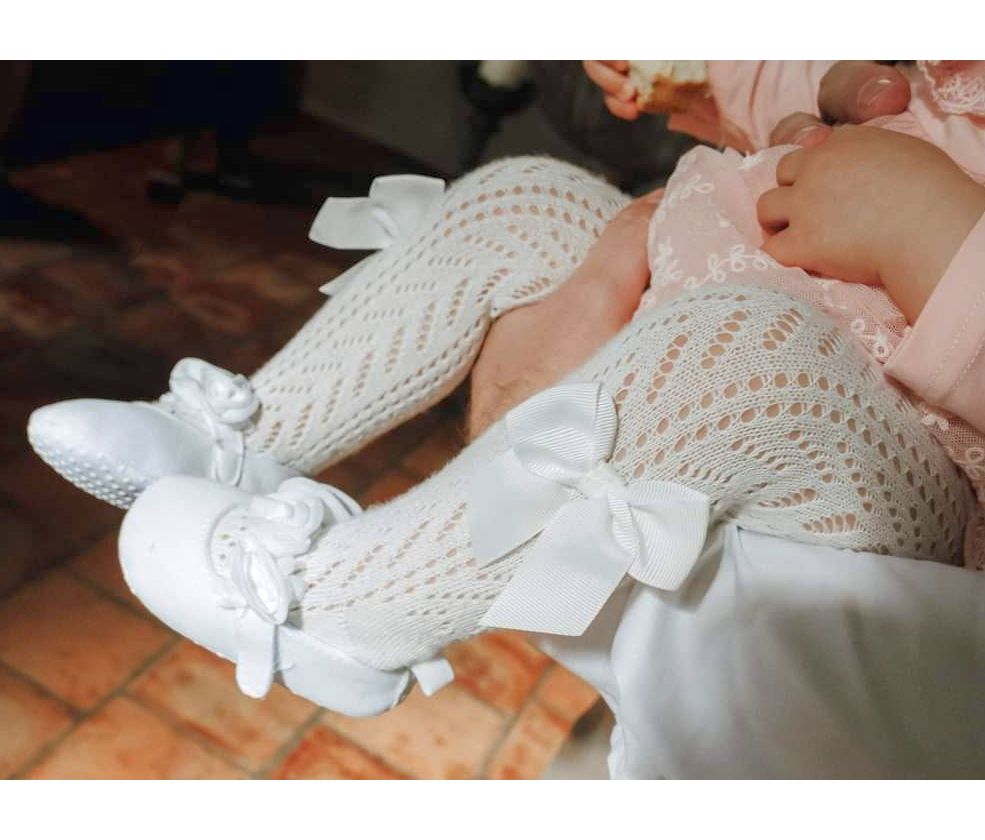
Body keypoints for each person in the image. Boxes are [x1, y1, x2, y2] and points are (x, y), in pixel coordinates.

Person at [24, 61, 985, 775]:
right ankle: (242, 438)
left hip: (905, 456)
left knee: (753, 350)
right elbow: (817, 86)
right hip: (736, 279)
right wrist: (761, 73)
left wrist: (933, 232)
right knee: (529, 195)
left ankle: (349, 610)